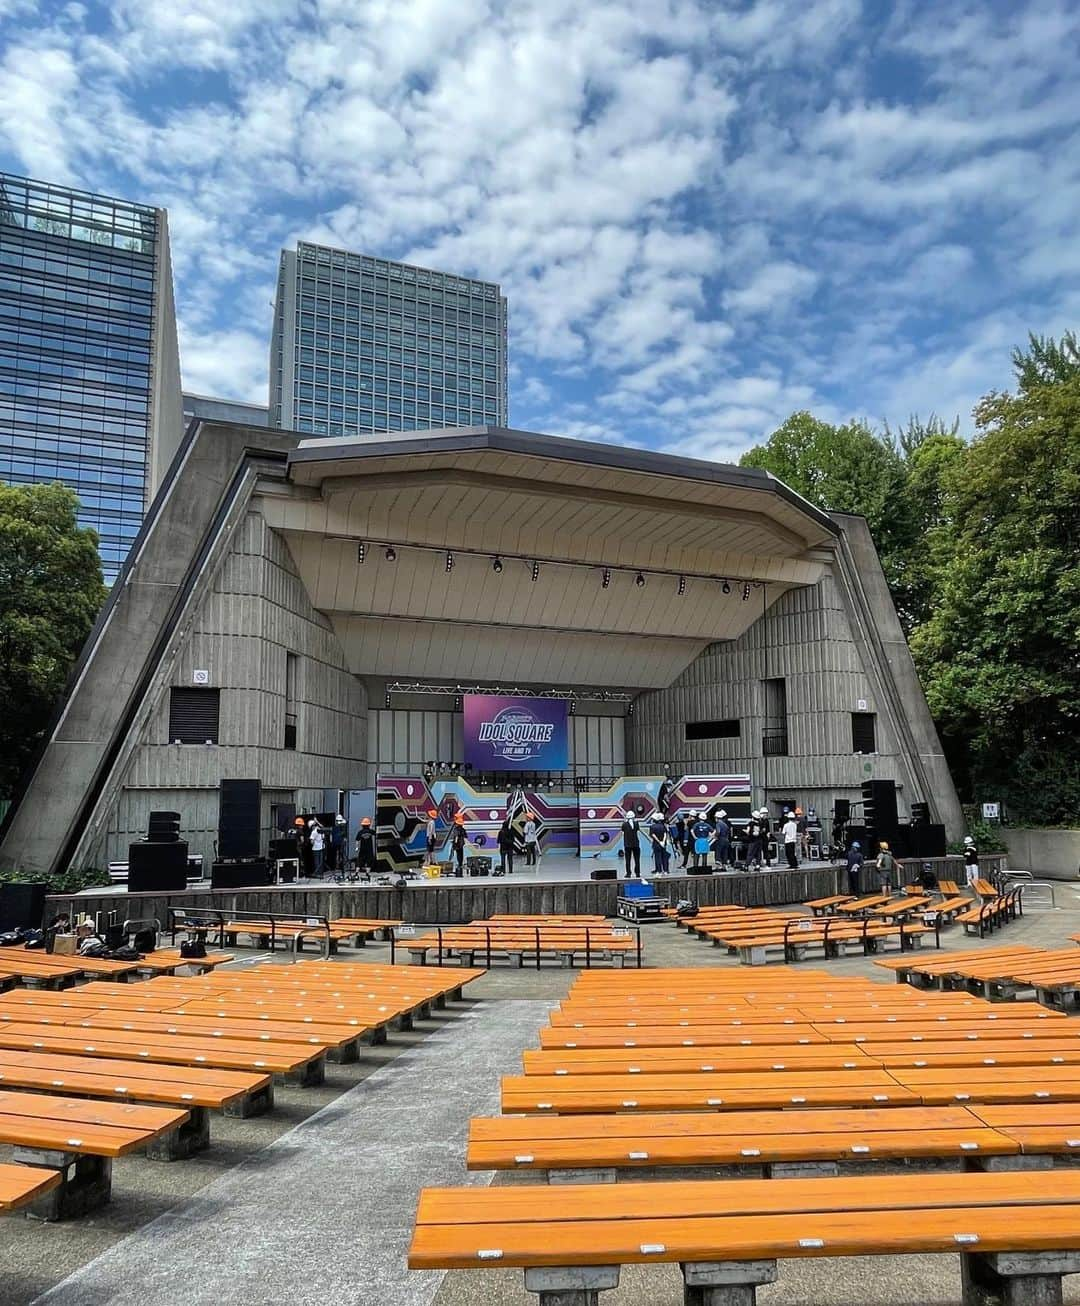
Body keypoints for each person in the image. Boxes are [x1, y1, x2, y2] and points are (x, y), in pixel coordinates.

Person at [621, 810, 642, 878]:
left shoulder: (624, 824)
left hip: (627, 845)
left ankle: (628, 873)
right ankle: (637, 873)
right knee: (637, 860)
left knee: (628, 860)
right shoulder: (636, 823)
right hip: (636, 844)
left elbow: (623, 831)